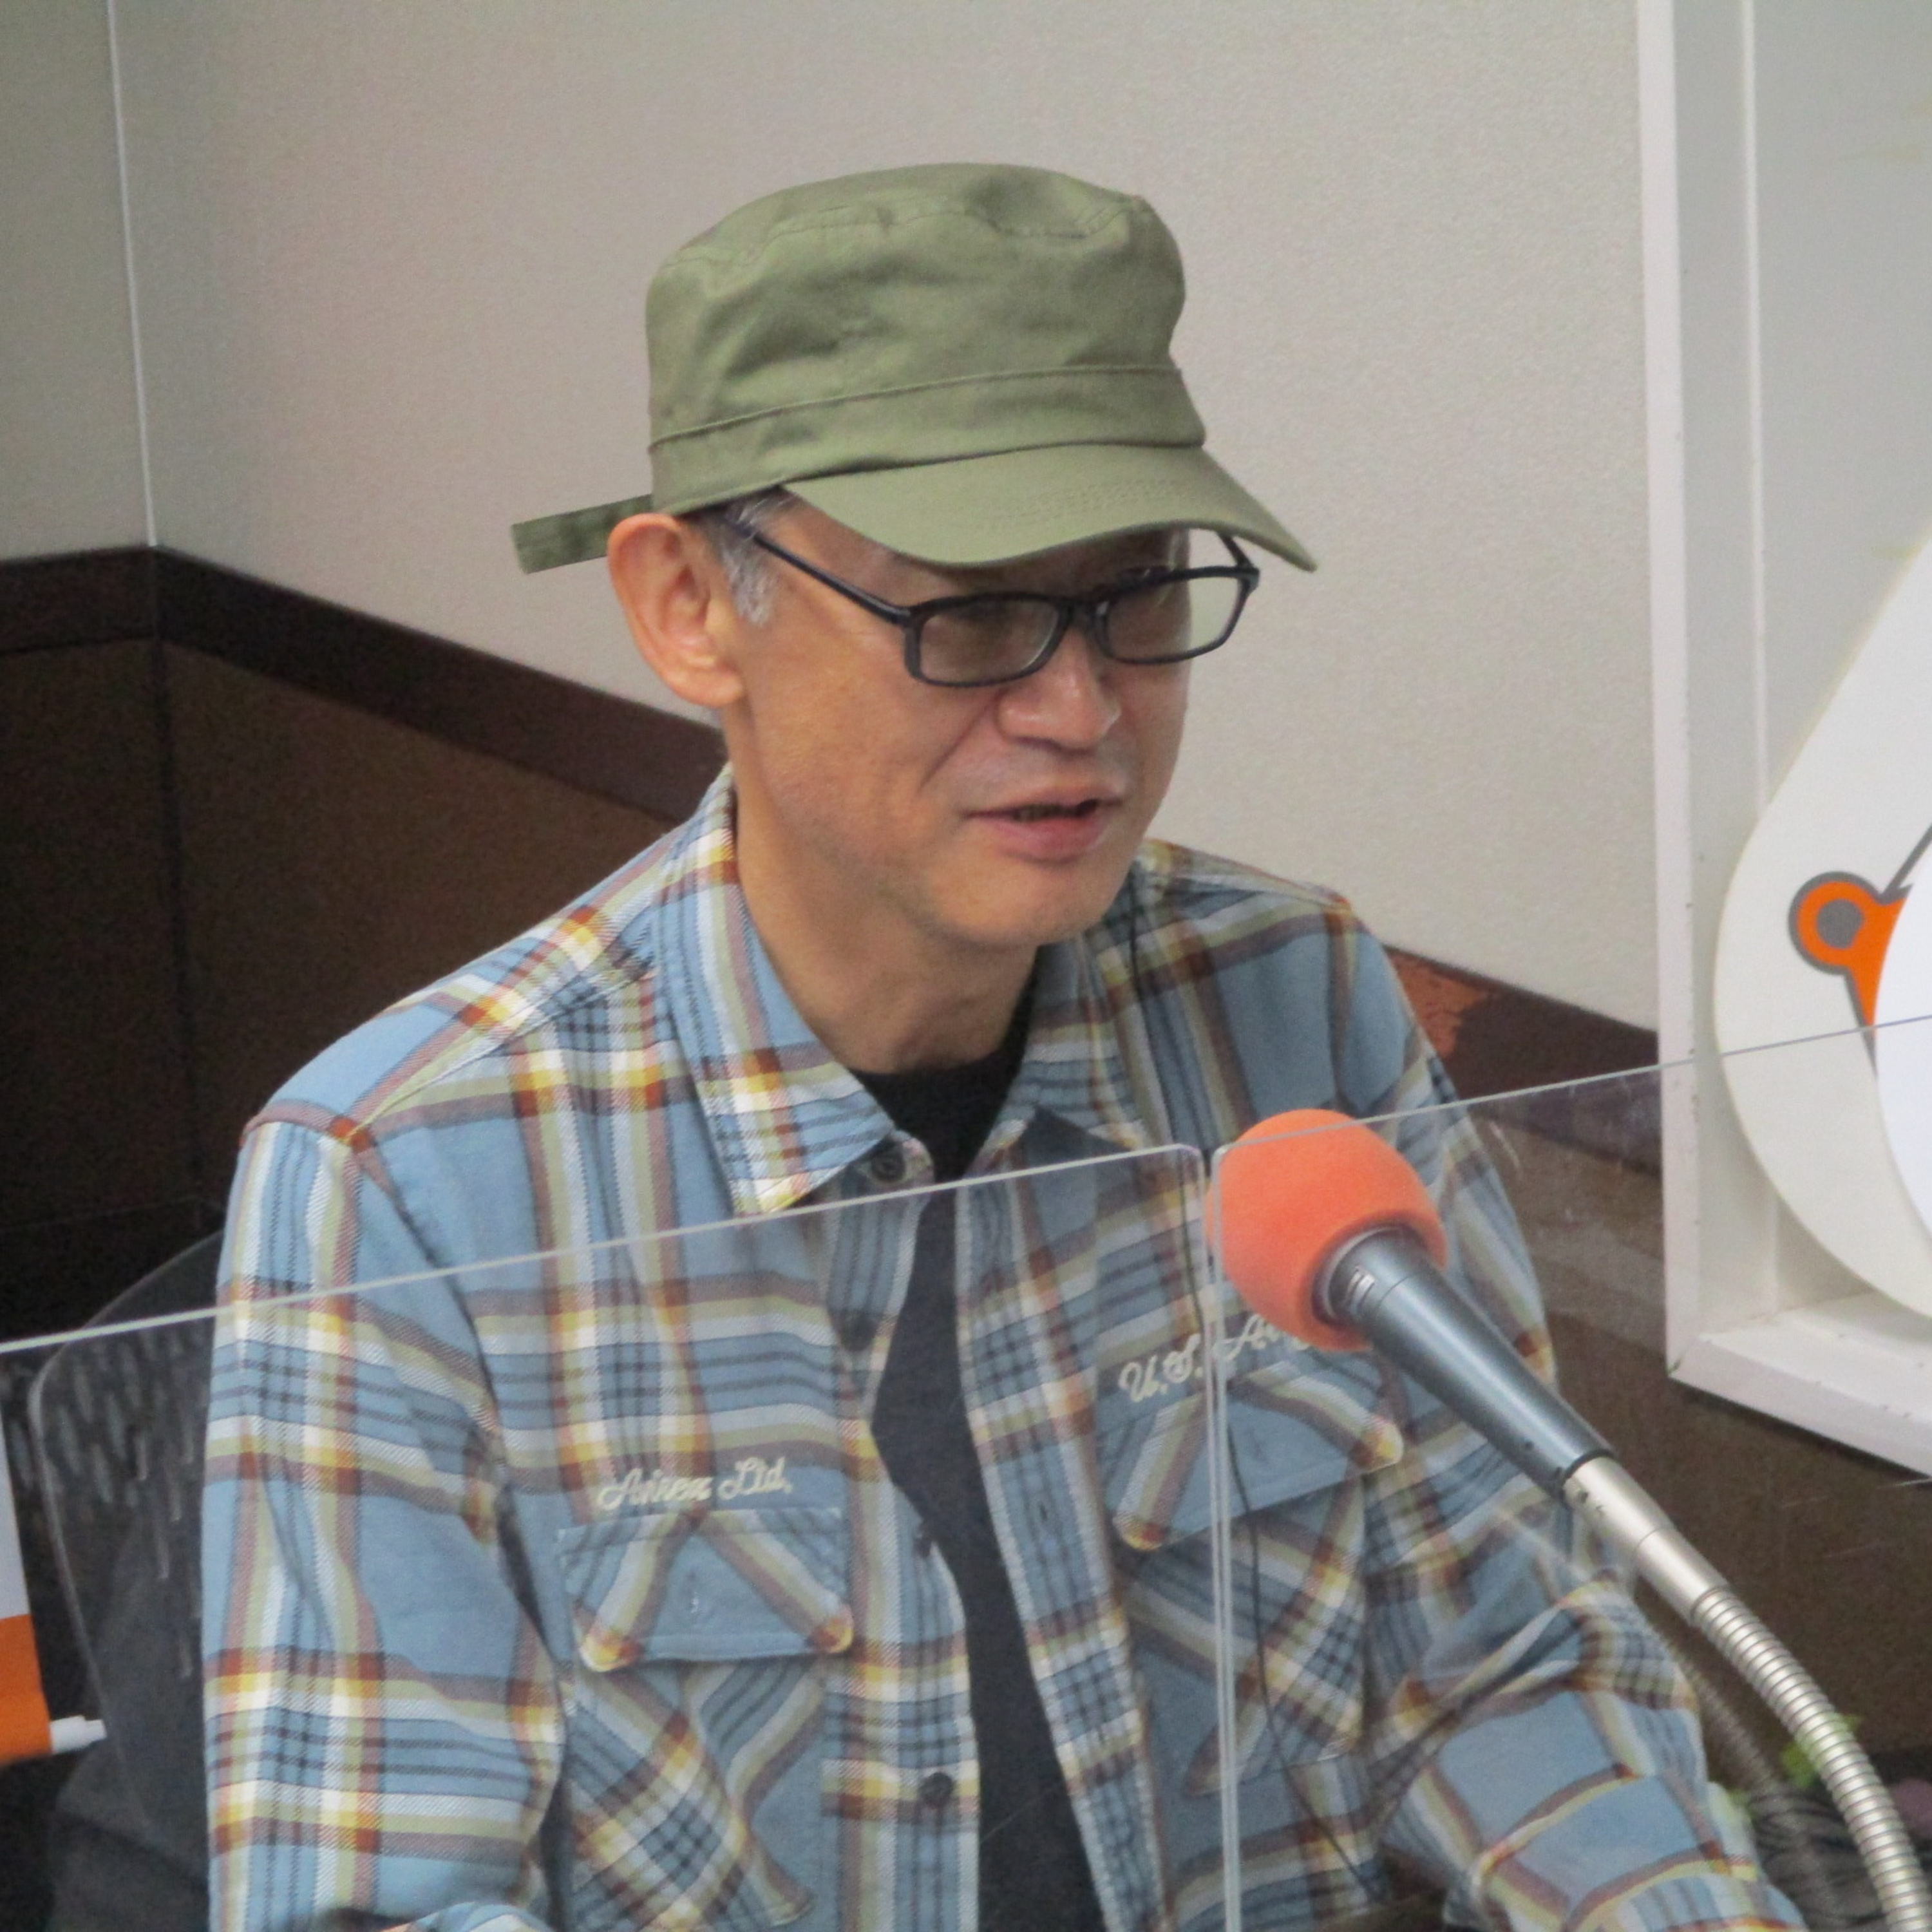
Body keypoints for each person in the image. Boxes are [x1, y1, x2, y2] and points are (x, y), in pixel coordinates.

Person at [204, 164, 1796, 1932]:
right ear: (688, 607)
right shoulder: (408, 1176)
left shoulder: (1294, 1004)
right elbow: (384, 1900)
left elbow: (1503, 1662)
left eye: (1135, 595)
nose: (1080, 708)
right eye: (967, 614)